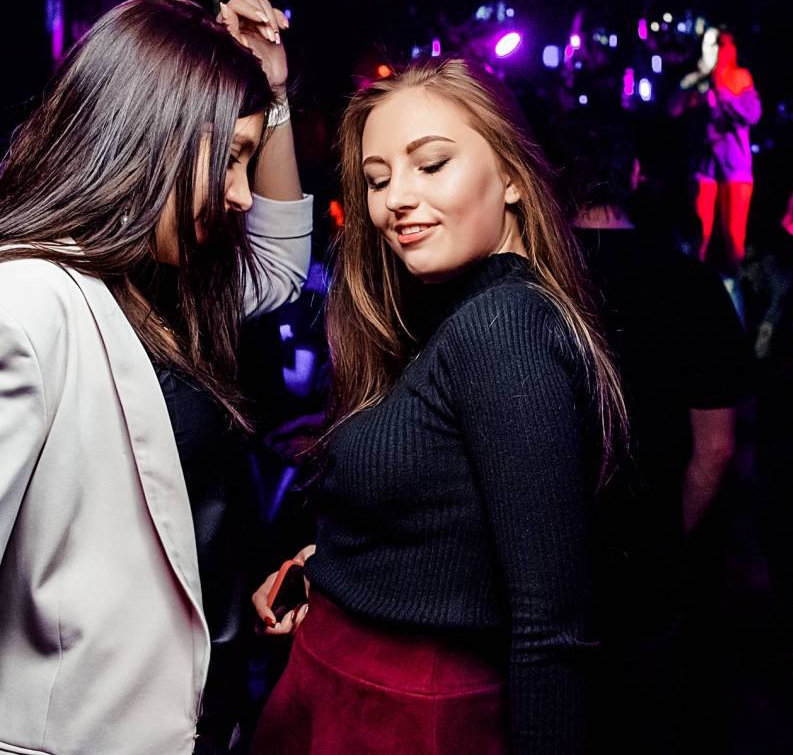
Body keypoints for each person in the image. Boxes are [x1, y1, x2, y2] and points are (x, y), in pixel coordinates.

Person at [0, 0, 312, 755]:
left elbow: (280, 269)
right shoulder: (12, 311)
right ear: (149, 135)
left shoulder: (164, 285)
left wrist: (274, 98)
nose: (242, 194)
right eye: (229, 157)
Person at [250, 58, 627, 755]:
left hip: (410, 719)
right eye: (378, 179)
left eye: (431, 165)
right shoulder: (452, 315)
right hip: (348, 689)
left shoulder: (504, 326)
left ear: (512, 177)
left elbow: (552, 627)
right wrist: (338, 571)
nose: (396, 198)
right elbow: (448, 522)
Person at [546, 111, 747, 753]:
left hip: (541, 563)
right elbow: (716, 448)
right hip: (648, 566)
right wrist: (664, 535)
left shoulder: (531, 281)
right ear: (634, 174)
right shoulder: (691, 284)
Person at [675, 28, 762, 269]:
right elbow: (673, 109)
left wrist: (722, 91)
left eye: (723, 44)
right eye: (713, 44)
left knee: (734, 237)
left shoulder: (742, 78)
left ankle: (736, 283)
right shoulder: (699, 79)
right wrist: (695, 91)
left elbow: (752, 115)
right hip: (705, 166)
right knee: (698, 234)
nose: (718, 50)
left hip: (736, 166)